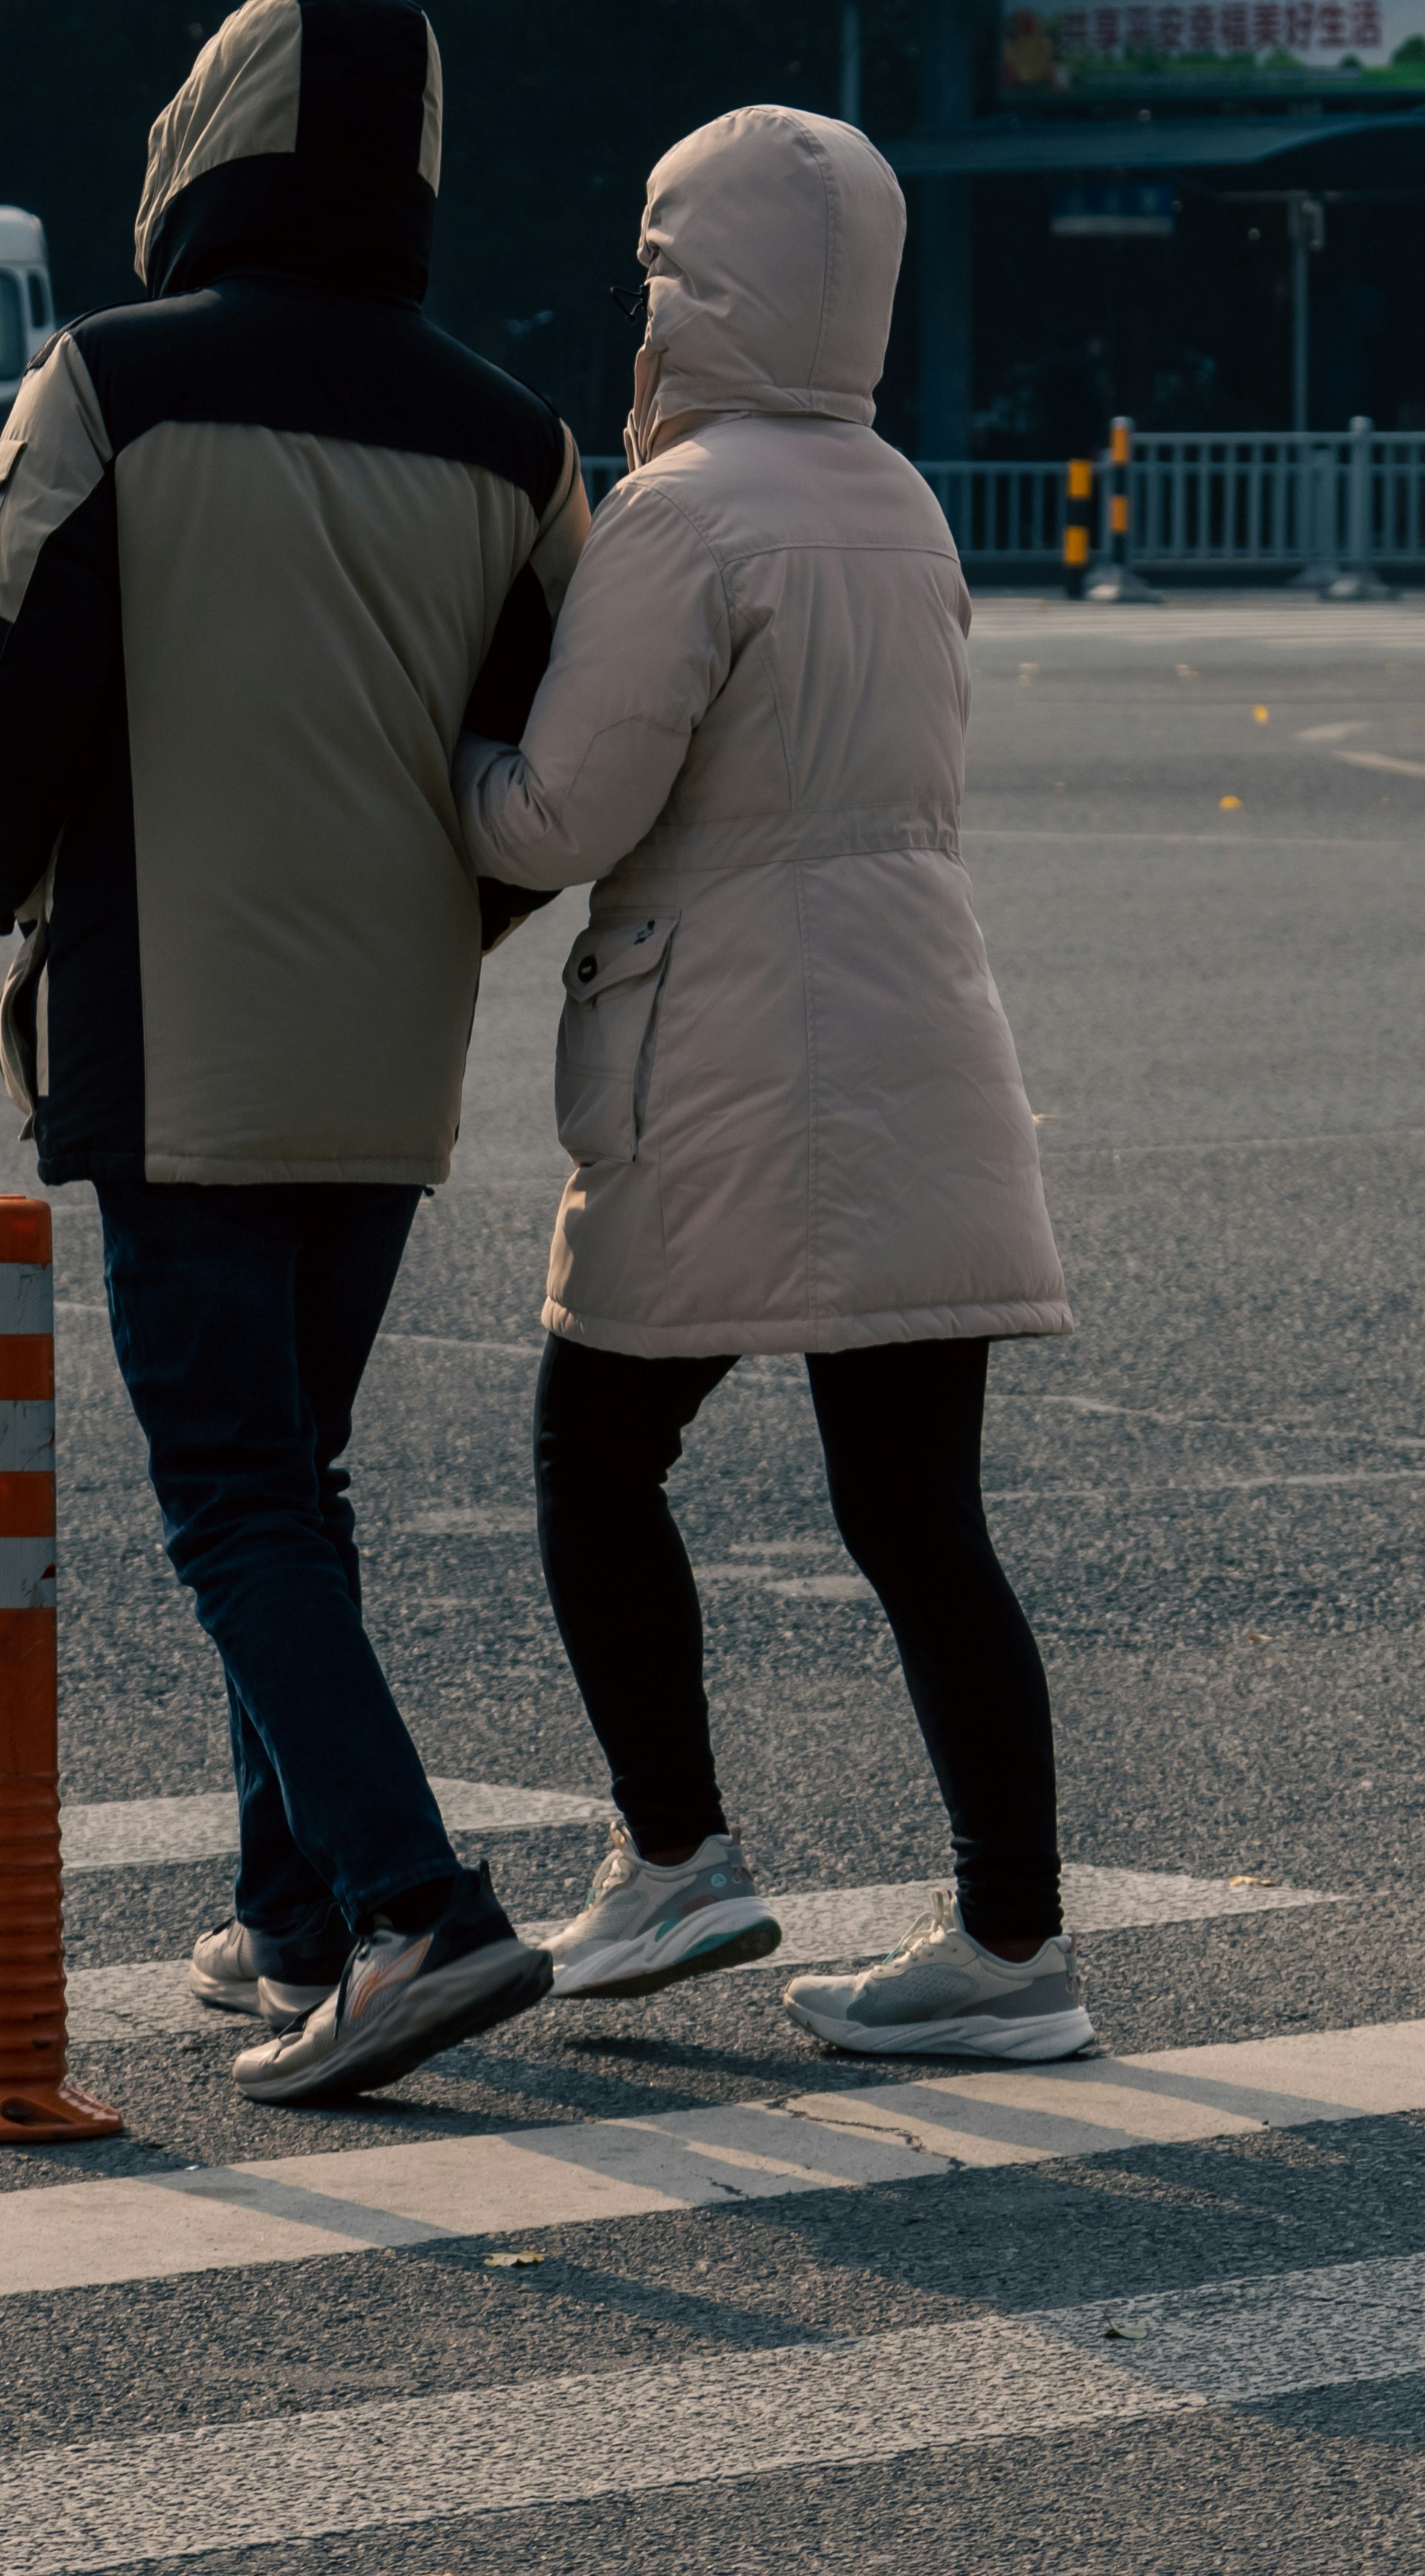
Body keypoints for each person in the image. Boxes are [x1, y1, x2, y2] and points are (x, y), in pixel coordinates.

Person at [0, 0, 586, 2105]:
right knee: (292, 1474)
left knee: (228, 1496)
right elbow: (556, 764)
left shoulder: (111, 378)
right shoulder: (514, 435)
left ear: (208, 137)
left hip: (171, 1014)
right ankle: (289, 1907)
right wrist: (436, 923)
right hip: (389, 1049)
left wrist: (26, 874)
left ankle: (413, 1909)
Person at [453, 102, 1087, 2064]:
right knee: (918, 1516)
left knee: (594, 1452)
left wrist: (449, 750)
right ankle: (1010, 1940)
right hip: (923, 1044)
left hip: (722, 1057)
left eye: (657, 273)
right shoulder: (898, 496)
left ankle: (676, 1855)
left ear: (697, 289)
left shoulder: (685, 510)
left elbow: (561, 811)